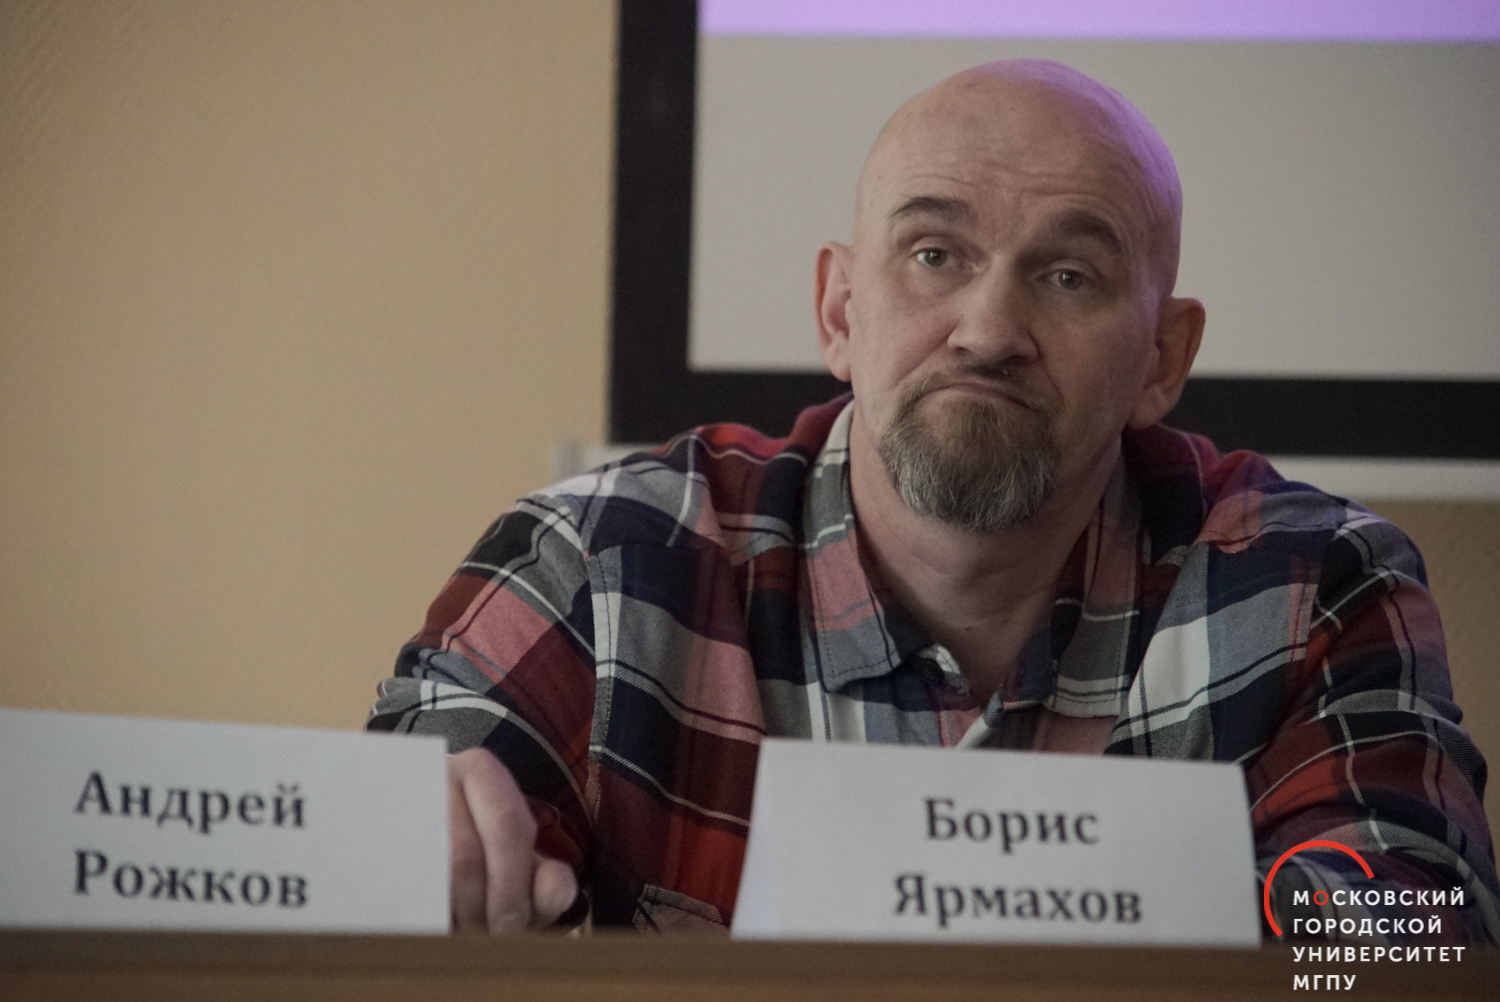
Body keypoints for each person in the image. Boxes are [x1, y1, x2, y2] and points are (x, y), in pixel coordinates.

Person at [368, 60, 1499, 940]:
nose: (990, 331)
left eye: (1068, 275)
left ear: (1162, 357)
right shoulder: (599, 565)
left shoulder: (1310, 587)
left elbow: (1413, 947)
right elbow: (380, 886)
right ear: (839, 311)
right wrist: (428, 870)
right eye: (933, 255)